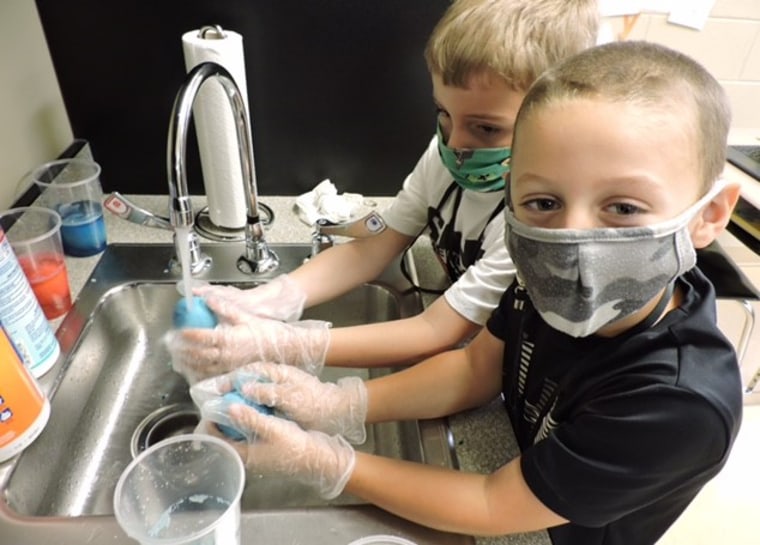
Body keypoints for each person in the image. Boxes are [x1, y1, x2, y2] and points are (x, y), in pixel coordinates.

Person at [192, 41, 744, 545]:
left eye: (623, 208)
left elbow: (492, 502)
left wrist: (326, 461)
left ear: (710, 215)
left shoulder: (677, 404)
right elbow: (474, 370)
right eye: (543, 203)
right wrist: (337, 403)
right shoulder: (543, 278)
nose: (572, 238)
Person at [167, 0, 600, 381]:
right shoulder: (446, 154)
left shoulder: (534, 226)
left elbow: (436, 331)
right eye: (443, 113)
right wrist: (272, 299)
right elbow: (377, 245)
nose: (456, 144)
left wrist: (282, 344)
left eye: (486, 128)